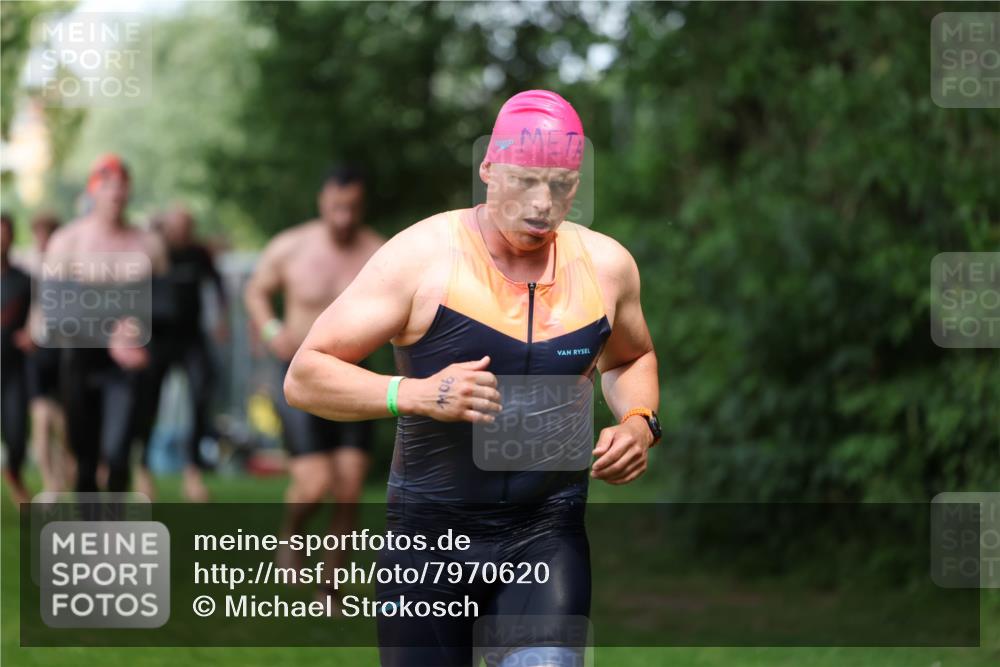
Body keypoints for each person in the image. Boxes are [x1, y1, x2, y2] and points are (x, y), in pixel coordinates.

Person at [284, 90, 660, 666]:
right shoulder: (422, 257)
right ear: (487, 168)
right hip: (429, 542)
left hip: (546, 533)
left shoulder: (607, 266)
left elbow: (631, 357)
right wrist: (413, 393)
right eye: (524, 181)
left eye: (561, 185)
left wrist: (638, 422)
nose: (542, 204)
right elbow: (305, 375)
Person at [244, 165, 384, 588]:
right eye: (337, 206)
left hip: (354, 375)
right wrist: (271, 330)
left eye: (353, 208)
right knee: (315, 482)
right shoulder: (291, 247)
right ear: (323, 201)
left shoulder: (378, 252)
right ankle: (291, 534)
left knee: (349, 486)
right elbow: (255, 290)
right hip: (301, 373)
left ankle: (330, 586)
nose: (344, 216)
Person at [43, 154, 167, 494]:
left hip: (126, 367)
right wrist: (107, 333)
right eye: (108, 186)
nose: (116, 194)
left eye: (122, 186)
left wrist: (143, 336)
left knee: (117, 454)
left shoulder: (148, 244)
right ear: (93, 192)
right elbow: (55, 313)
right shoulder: (67, 242)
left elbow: (171, 307)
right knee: (84, 458)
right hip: (80, 361)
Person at [133, 206, 228, 502]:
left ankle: (192, 472)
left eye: (187, 227)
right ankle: (143, 469)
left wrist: (222, 319)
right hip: (157, 339)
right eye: (176, 227)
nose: (181, 233)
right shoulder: (151, 252)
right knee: (148, 403)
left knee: (201, 393)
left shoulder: (198, 254)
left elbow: (217, 284)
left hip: (191, 338)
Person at [23, 212, 74, 492]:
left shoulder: (72, 265)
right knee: (40, 420)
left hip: (65, 350)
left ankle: (68, 472)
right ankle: (50, 483)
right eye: (38, 234)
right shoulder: (29, 264)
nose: (42, 240)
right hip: (39, 349)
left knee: (63, 422)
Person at [1, 213, 34, 504]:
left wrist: (31, 332)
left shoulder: (24, 280)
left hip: (13, 369)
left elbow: (40, 314)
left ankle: (14, 473)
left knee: (16, 432)